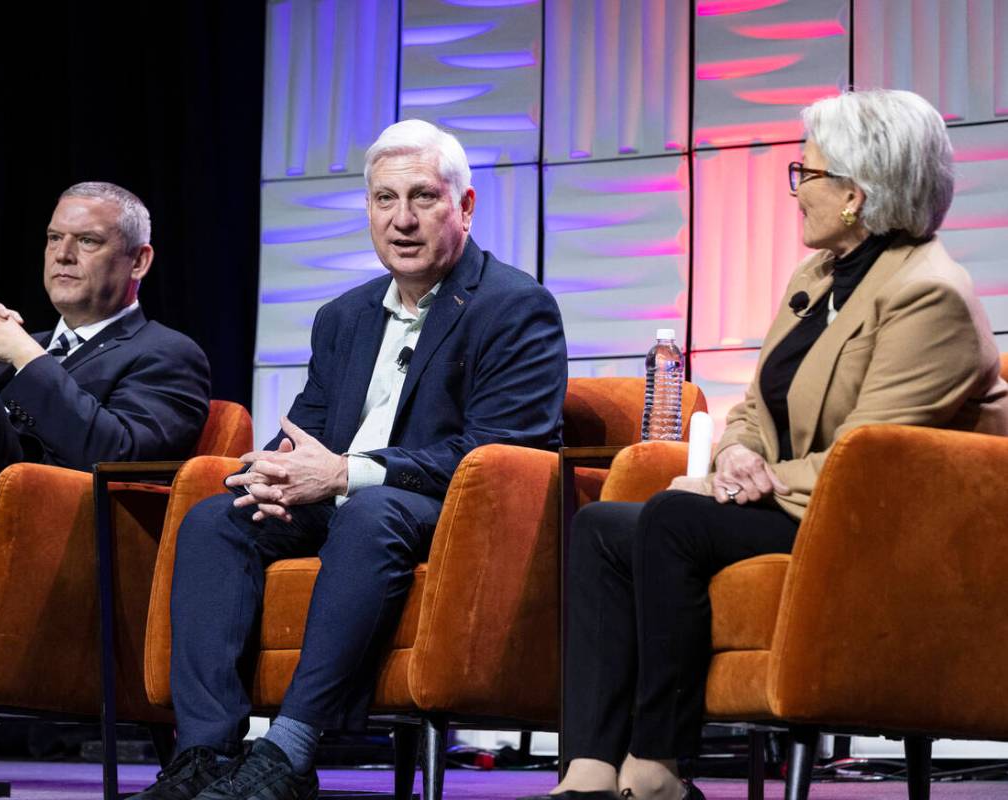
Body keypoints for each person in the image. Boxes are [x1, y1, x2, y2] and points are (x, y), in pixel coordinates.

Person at [535, 89, 1008, 800]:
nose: (796, 191)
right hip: (804, 503)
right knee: (604, 525)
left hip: (878, 533)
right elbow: (755, 405)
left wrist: (739, 485)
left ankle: (657, 767)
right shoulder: (817, 279)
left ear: (855, 194)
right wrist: (733, 457)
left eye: (806, 174)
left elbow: (869, 459)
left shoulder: (929, 295)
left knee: (673, 518)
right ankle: (591, 771)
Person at [135, 119, 568, 800]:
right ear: (367, 209)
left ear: (467, 206)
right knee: (217, 519)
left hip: (442, 511)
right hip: (343, 501)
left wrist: (347, 472)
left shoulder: (515, 308)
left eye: (423, 198)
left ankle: (290, 751)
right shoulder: (344, 316)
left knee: (372, 512)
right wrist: (271, 472)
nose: (402, 220)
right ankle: (205, 754)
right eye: (383, 200)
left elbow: (499, 452)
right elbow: (305, 429)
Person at [0, 181, 211, 564]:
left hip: (47, 542)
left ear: (138, 261)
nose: (62, 255)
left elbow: (121, 458)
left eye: (87, 241)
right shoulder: (5, 350)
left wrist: (26, 358)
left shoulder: (168, 353)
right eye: (54, 238)